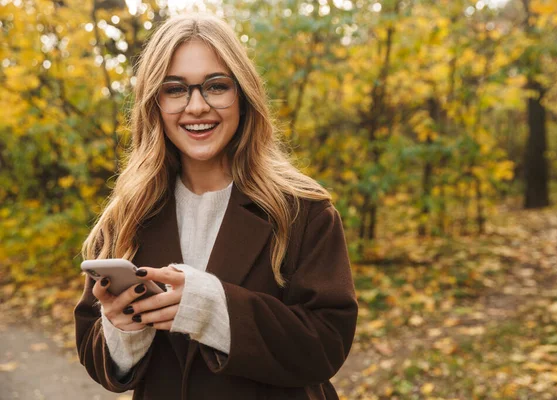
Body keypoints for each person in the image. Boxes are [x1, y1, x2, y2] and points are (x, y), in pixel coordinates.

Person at [74, 13, 358, 400]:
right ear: (154, 104)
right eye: (175, 89)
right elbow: (97, 360)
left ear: (242, 95)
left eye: (216, 86)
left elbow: (326, 345)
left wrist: (212, 308)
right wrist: (124, 328)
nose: (197, 106)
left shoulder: (303, 211)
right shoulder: (126, 216)